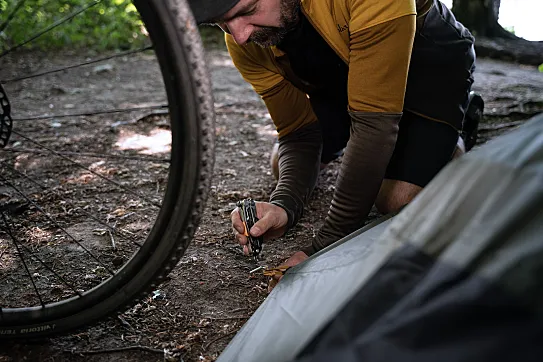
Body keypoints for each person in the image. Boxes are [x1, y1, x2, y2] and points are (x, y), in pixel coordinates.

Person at [188, 0, 483, 287]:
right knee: (282, 165)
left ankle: (454, 130)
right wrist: (283, 207)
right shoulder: (245, 41)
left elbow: (373, 128)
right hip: (345, 76)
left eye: (249, 11)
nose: (239, 36)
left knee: (396, 200)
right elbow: (299, 134)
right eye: (222, 23)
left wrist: (324, 246)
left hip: (428, 66)